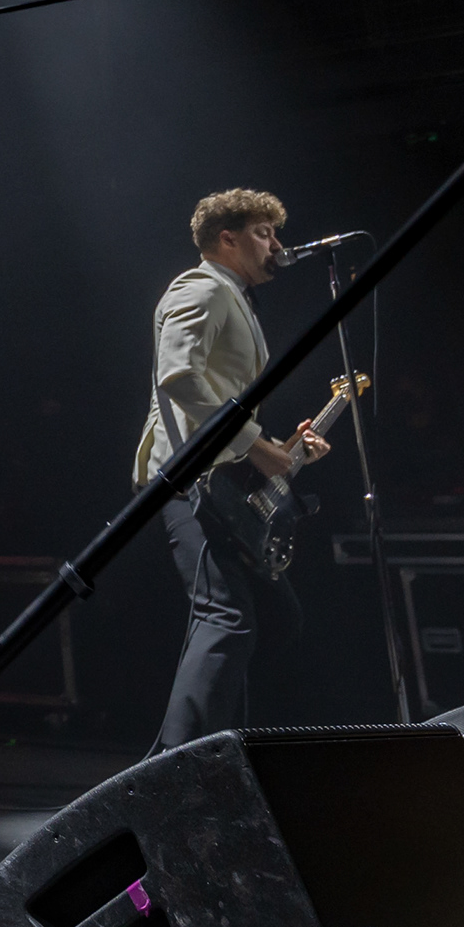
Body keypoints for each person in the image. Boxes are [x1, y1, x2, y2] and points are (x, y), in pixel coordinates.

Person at [135, 189, 338, 753]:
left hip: (220, 478)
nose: (277, 245)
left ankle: (217, 747)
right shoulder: (201, 286)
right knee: (227, 617)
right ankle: (179, 765)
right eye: (264, 234)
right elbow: (178, 376)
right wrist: (255, 446)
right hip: (188, 480)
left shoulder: (234, 297)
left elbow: (220, 401)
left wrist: (282, 448)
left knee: (270, 619)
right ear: (227, 238)